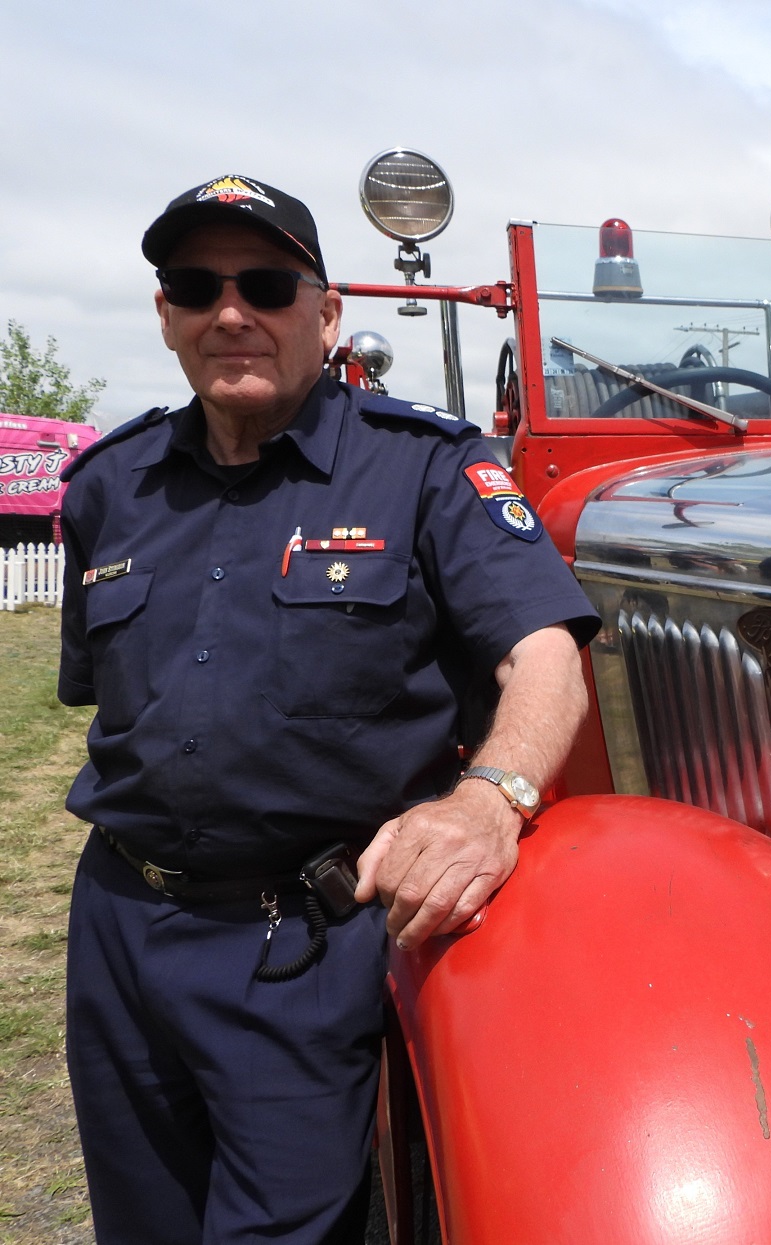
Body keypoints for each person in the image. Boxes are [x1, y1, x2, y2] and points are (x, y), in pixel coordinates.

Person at [57, 174, 599, 1244]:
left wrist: (491, 798)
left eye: (265, 284)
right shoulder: (107, 488)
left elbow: (545, 654)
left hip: (298, 942)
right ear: (164, 313)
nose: (231, 313)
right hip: (120, 927)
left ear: (326, 312)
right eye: (195, 286)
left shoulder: (428, 471)